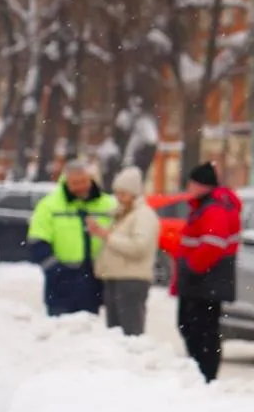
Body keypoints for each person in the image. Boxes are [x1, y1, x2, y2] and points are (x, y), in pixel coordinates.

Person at [175, 162, 240, 381]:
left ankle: (204, 374)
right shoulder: (208, 205)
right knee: (197, 328)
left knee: (199, 330)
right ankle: (202, 372)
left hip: (204, 281)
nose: (188, 187)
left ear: (201, 185)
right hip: (205, 282)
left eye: (191, 183)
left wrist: (193, 267)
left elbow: (213, 244)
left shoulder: (213, 208)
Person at [25, 161, 115, 317]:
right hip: (60, 285)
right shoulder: (49, 206)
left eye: (84, 182)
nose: (80, 187)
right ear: (66, 181)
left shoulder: (108, 205)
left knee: (89, 332)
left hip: (93, 282)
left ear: (91, 179)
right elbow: (37, 241)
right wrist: (57, 271)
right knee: (61, 334)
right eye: (75, 183)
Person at [92, 166, 159, 336]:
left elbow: (139, 248)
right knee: (115, 335)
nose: (119, 198)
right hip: (115, 279)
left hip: (131, 282)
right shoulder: (123, 214)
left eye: (123, 194)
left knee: (130, 333)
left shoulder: (143, 215)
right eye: (117, 193)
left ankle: (132, 362)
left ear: (134, 193)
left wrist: (107, 236)